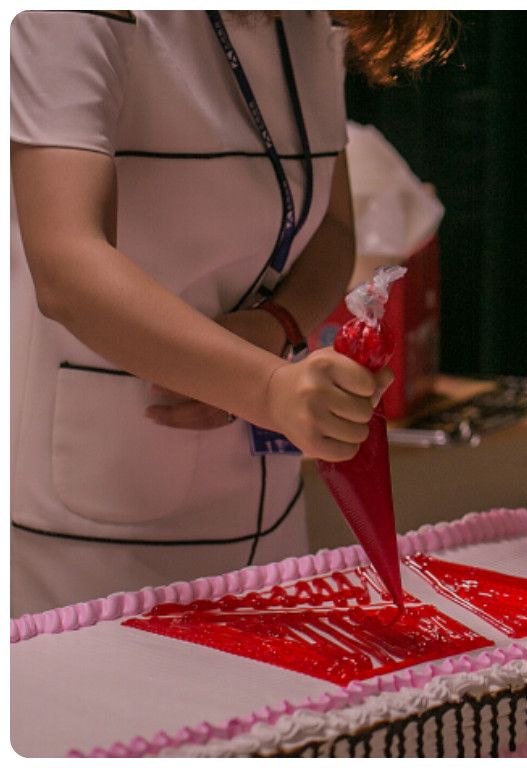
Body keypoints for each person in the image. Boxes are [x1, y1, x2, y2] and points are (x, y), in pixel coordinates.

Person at [10, 11, 451, 616]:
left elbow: (333, 227)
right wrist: (267, 388)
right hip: (96, 526)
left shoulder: (306, 23)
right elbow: (67, 266)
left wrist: (277, 326)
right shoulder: (73, 16)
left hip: (266, 505)